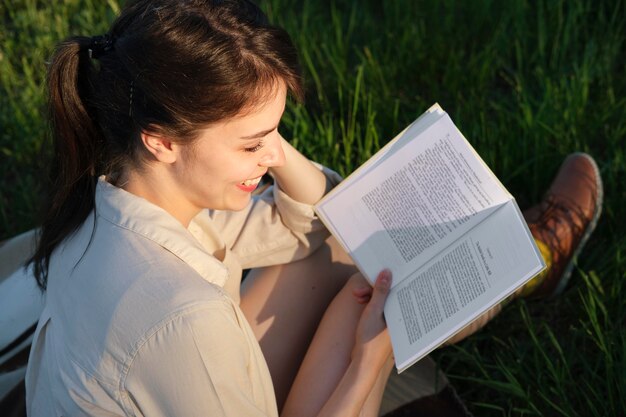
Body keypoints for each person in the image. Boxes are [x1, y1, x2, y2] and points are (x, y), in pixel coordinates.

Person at [19, 0, 602, 416]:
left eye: (277, 133)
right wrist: (373, 364)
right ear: (162, 140)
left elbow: (313, 222)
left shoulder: (115, 189)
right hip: (183, 359)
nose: (271, 158)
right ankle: (528, 259)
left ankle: (521, 259)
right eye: (252, 144)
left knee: (352, 253)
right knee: (378, 315)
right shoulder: (184, 320)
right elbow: (186, 327)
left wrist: (266, 144)